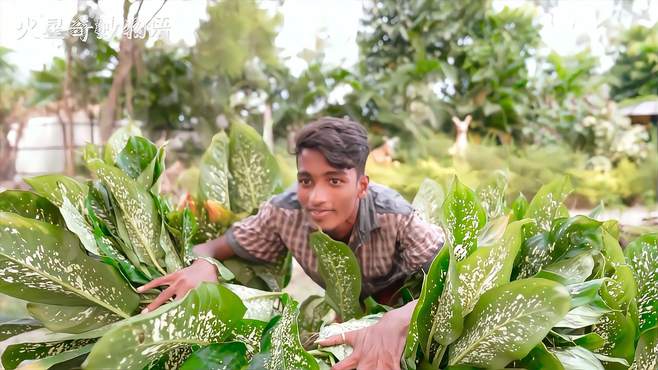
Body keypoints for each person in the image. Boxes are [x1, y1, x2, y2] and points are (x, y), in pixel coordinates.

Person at [137, 116, 445, 370]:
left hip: (411, 309)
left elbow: (453, 279)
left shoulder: (396, 215)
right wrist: (203, 264)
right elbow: (215, 248)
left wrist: (398, 320)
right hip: (348, 312)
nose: (316, 197)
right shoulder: (284, 212)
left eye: (334, 180)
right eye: (306, 180)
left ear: (361, 185)